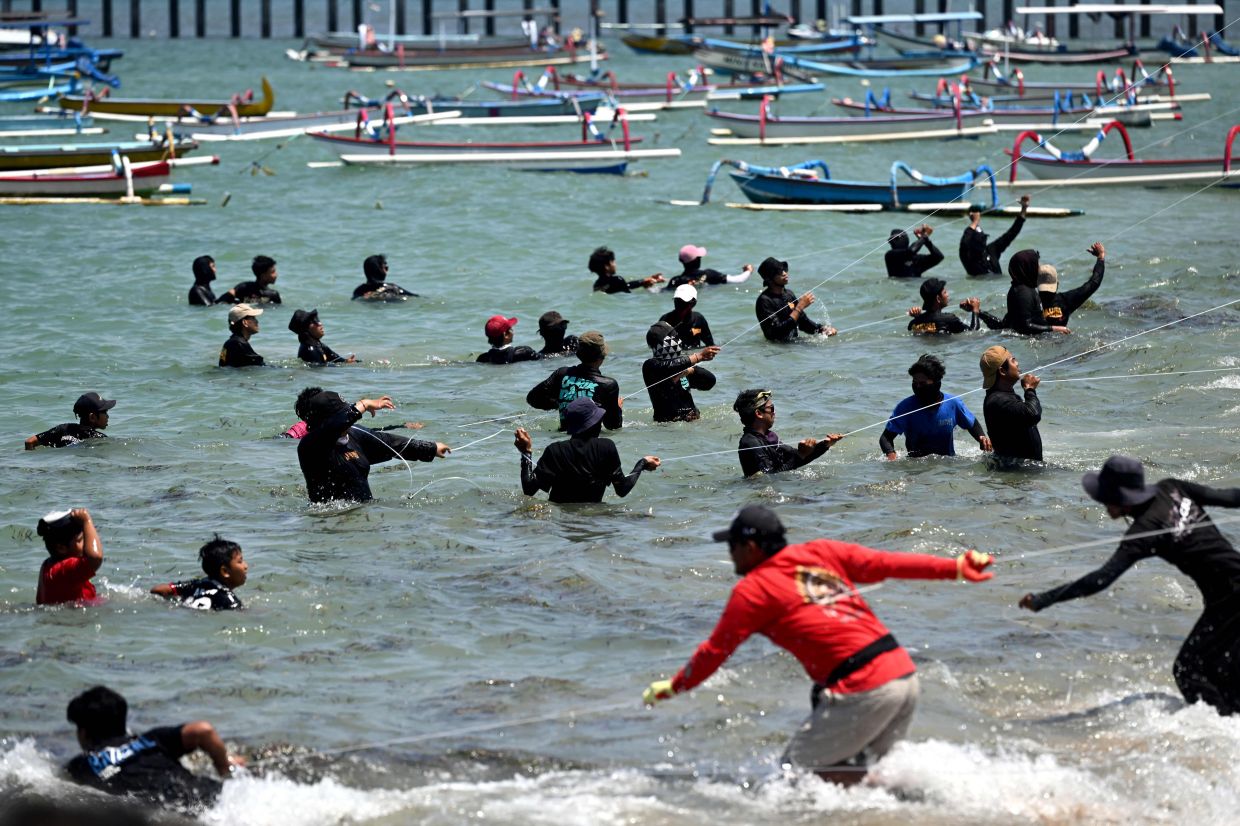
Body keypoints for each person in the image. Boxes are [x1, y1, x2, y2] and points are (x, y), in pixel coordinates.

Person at [642, 505, 994, 783]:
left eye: (732, 547)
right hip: (903, 676)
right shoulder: (820, 552)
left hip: (864, 689)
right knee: (865, 771)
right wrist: (955, 568)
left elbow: (714, 652)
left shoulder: (752, 591)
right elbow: (887, 563)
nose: (730, 555)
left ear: (750, 547)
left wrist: (674, 687)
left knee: (792, 776)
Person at [1019, 456, 1240, 715]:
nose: (1102, 504)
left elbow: (1101, 579)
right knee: (1222, 671)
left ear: (1120, 498)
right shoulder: (1172, 488)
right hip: (1229, 596)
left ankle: (1223, 728)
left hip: (1231, 599)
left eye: (1104, 497)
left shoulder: (1142, 531)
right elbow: (1231, 497)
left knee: (1188, 670)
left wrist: (1043, 599)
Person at [65, 686, 242, 809]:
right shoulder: (152, 739)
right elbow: (203, 730)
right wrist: (225, 769)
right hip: (225, 797)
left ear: (83, 733)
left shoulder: (81, 766)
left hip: (184, 816)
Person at [296, 389, 449, 504]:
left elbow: (391, 443)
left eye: (345, 409)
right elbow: (338, 423)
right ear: (325, 421)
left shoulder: (355, 434)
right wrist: (365, 403)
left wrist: (431, 448)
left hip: (362, 514)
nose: (349, 419)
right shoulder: (311, 446)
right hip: (329, 518)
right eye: (341, 413)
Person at [513, 397, 660, 503]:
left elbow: (529, 489)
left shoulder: (555, 450)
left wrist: (526, 452)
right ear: (595, 423)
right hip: (593, 520)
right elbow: (622, 489)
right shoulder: (606, 447)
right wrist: (642, 464)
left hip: (561, 523)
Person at [879, 354, 992, 460]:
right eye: (915, 382)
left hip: (947, 465)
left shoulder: (953, 403)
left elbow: (972, 424)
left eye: (922, 384)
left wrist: (981, 437)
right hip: (916, 467)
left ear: (937, 383)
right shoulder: (905, 407)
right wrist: (891, 456)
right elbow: (885, 438)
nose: (918, 387)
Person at [733, 389, 843, 477]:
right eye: (771, 408)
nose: (774, 412)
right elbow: (769, 477)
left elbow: (797, 458)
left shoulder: (769, 437)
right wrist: (801, 454)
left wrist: (826, 444)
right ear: (759, 413)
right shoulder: (750, 443)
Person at [526, 331, 622, 431]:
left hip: (563, 437)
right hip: (590, 440)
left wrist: (561, 403)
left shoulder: (561, 374)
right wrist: (618, 408)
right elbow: (613, 426)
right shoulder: (609, 385)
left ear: (578, 354)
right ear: (602, 356)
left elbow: (533, 398)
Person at [641, 321, 720, 423]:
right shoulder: (650, 366)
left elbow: (710, 382)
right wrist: (699, 356)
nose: (678, 340)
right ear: (663, 342)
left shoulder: (683, 366)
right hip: (668, 426)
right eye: (674, 336)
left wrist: (691, 371)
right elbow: (667, 367)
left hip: (693, 421)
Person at [281, 386, 421, 439]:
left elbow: (369, 432)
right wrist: (365, 404)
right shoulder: (299, 431)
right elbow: (280, 441)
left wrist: (401, 426)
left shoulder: (338, 425)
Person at [980, 345, 1043, 463]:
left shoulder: (1004, 396)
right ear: (1002, 371)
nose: (1017, 363)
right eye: (1013, 360)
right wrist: (1029, 389)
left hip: (1021, 472)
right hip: (1015, 475)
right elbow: (1033, 414)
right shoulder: (998, 401)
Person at [150, 535, 247, 611]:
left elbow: (158, 589)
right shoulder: (228, 598)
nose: (245, 566)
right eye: (240, 561)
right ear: (225, 571)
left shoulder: (196, 584)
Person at [755, 258, 837, 343]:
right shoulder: (764, 301)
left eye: (784, 269)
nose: (784, 273)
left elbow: (802, 322)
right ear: (770, 279)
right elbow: (777, 333)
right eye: (779, 272)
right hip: (777, 348)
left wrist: (822, 330)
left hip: (794, 344)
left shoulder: (789, 295)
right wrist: (799, 307)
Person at [35, 508, 102, 606]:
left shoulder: (47, 565)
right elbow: (95, 558)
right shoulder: (66, 568)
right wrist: (87, 521)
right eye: (80, 540)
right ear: (61, 548)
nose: (85, 545)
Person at [1001, 249, 1070, 336]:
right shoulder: (1023, 292)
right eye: (1036, 264)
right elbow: (1024, 326)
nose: (1039, 267)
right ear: (1028, 267)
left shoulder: (1023, 288)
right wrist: (1054, 328)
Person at [1038, 242, 1106, 327]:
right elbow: (1094, 283)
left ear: (1037, 284)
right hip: (1061, 339)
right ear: (1057, 284)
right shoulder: (1065, 301)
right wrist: (1101, 257)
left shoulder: (1029, 301)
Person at [959, 195, 1029, 276]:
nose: (982, 241)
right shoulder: (968, 259)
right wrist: (975, 222)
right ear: (971, 242)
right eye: (979, 239)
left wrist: (1024, 208)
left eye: (983, 238)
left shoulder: (991, 250)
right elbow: (964, 243)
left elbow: (1011, 233)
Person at [906, 278, 1002, 335]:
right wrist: (975, 310)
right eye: (945, 292)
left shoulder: (913, 323)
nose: (947, 295)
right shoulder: (949, 319)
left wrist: (917, 317)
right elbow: (973, 332)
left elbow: (924, 329)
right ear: (938, 299)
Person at [25, 392, 115, 450]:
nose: (107, 416)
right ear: (92, 417)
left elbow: (29, 441)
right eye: (105, 412)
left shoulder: (63, 429)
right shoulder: (98, 438)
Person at [664, 244, 753, 292]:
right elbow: (738, 280)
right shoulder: (708, 274)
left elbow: (660, 292)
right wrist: (748, 271)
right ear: (697, 259)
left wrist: (649, 285)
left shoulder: (676, 280)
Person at [289, 308, 354, 365]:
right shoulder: (311, 350)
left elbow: (334, 358)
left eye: (317, 320)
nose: (320, 323)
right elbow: (319, 370)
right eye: (314, 321)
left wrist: (346, 361)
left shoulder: (318, 345)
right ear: (305, 329)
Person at [588, 246, 664, 293]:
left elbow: (625, 286)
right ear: (606, 266)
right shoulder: (617, 280)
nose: (615, 264)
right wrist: (645, 285)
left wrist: (643, 281)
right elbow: (627, 290)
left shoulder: (597, 285)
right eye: (613, 261)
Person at [476, 315, 543, 364]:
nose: (513, 330)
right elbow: (545, 359)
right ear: (506, 335)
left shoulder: (483, 358)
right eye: (511, 329)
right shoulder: (524, 352)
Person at [217, 255, 281, 305]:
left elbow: (220, 301)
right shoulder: (273, 294)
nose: (276, 274)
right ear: (263, 276)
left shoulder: (243, 287)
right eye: (273, 272)